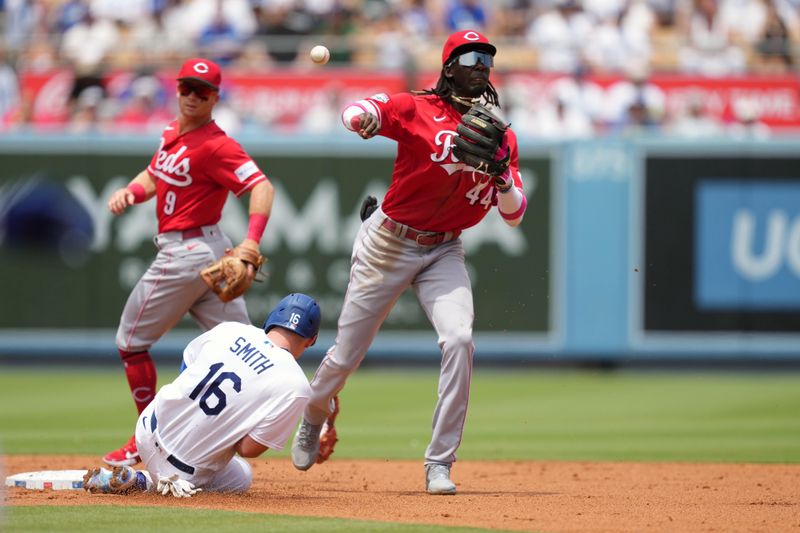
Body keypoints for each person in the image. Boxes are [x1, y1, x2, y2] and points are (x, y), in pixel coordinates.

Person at [290, 29, 527, 495]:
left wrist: (500, 176)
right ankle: (314, 414)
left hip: (444, 248)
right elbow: (361, 111)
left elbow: (515, 215)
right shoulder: (417, 107)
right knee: (345, 356)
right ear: (448, 66)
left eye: (486, 58)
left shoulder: (501, 137)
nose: (480, 64)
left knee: (459, 339)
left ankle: (439, 463)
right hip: (389, 243)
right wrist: (362, 119)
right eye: (470, 56)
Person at [103, 57, 275, 468]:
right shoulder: (171, 132)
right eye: (186, 88)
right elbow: (154, 174)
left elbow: (262, 187)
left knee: (130, 344)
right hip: (208, 253)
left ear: (215, 97)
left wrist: (252, 241)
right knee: (245, 349)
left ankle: (144, 436)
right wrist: (131, 190)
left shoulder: (217, 144)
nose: (192, 96)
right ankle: (292, 420)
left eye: (202, 91)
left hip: (187, 253)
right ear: (176, 90)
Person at [83, 293, 320, 497]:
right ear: (312, 340)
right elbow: (249, 449)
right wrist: (230, 423)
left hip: (146, 428)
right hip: (185, 470)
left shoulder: (232, 329)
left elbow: (186, 368)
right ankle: (148, 482)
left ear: (271, 320)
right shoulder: (296, 385)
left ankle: (143, 479)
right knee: (242, 475)